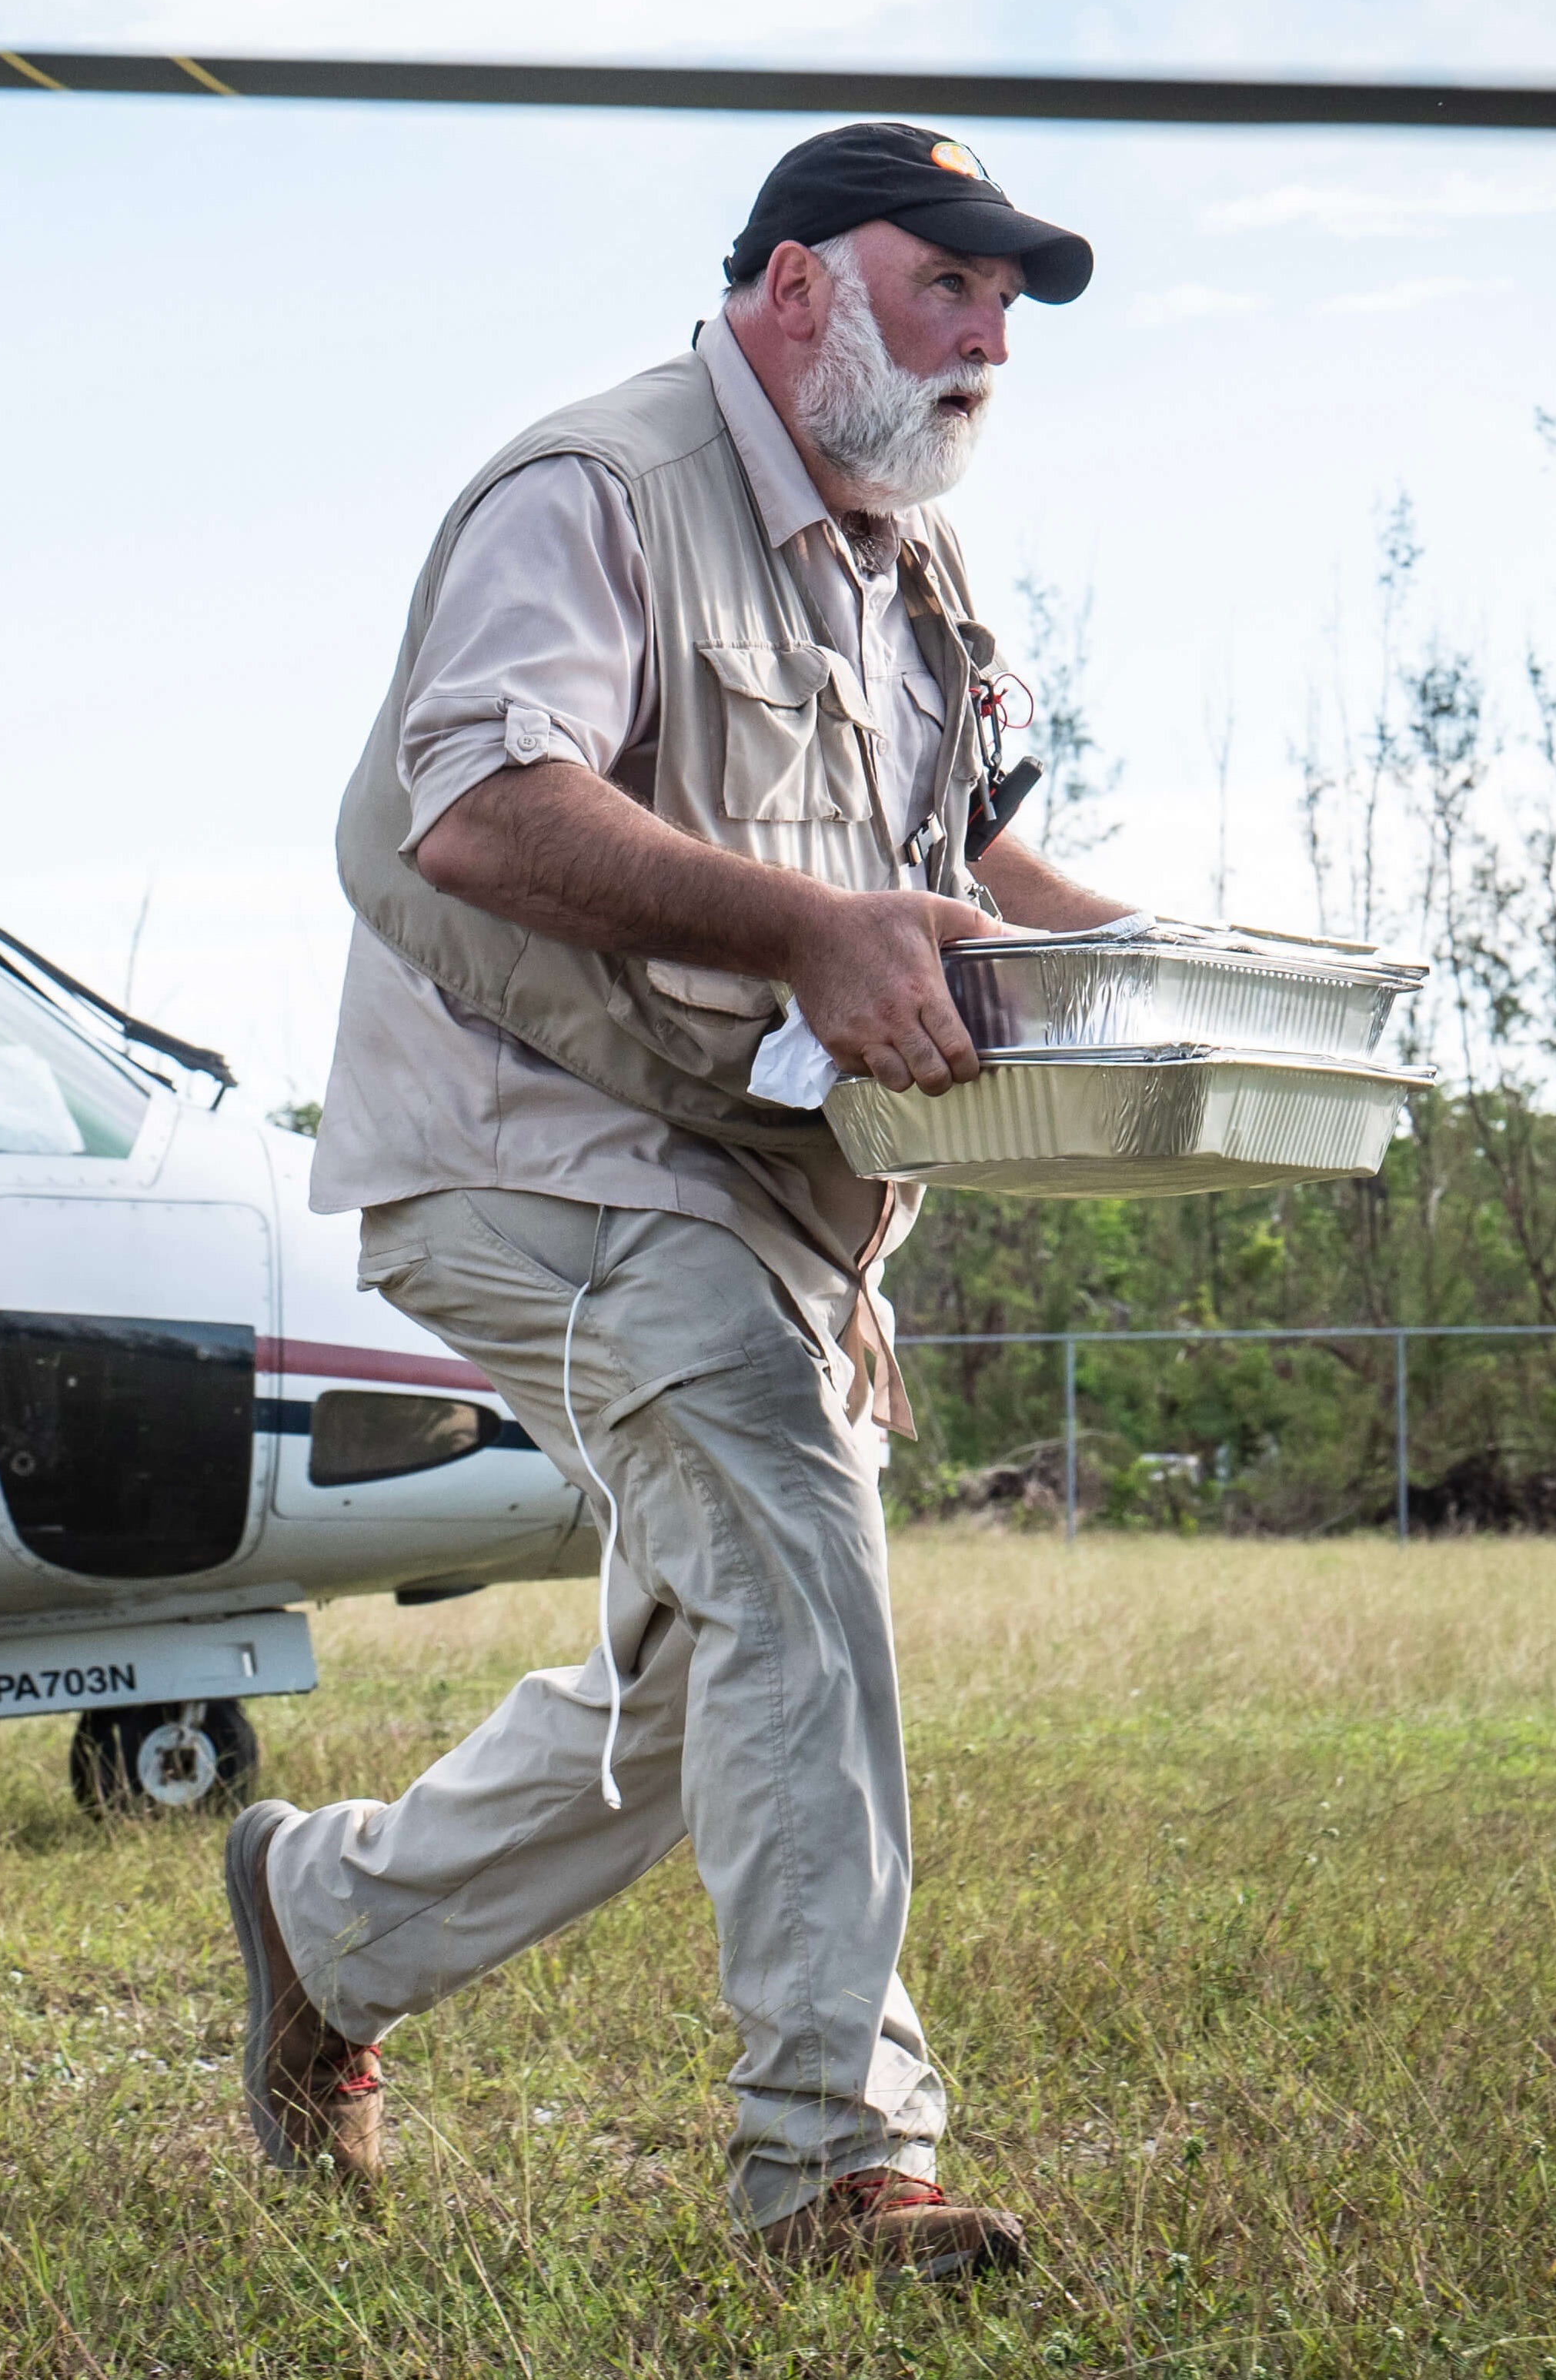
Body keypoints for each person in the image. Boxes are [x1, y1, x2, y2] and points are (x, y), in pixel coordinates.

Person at [228, 125, 1136, 2269]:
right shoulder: (599, 489)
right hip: (533, 1150)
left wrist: (1204, 994)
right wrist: (814, 928)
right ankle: (834, 2159)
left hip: (763, 1193)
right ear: (800, 283)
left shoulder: (907, 563)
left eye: (1009, 311)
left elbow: (971, 864)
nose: (990, 342)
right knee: (797, 1571)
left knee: (704, 1668)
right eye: (951, 288)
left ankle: (322, 1921)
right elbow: (474, 804)